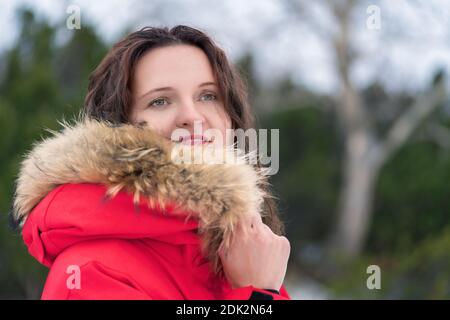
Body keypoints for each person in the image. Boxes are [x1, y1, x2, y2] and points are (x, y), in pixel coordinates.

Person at [10, 25, 291, 300]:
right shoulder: (91, 273)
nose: (192, 117)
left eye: (208, 95)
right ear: (117, 129)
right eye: (160, 101)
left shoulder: (246, 253)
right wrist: (257, 294)